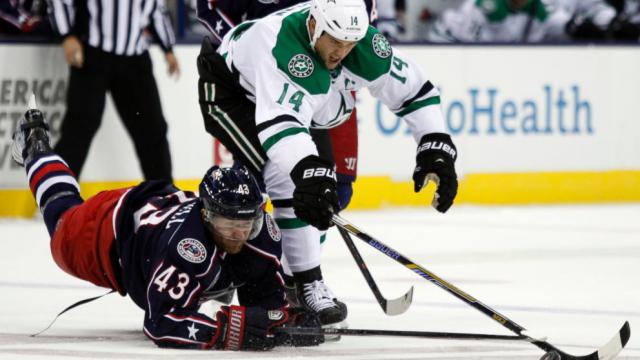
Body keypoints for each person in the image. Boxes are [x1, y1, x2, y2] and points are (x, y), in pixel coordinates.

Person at [196, 0, 459, 325]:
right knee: (272, 182)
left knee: (317, 186)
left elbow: (415, 92)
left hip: (298, 101)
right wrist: (306, 171)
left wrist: (435, 146)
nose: (341, 51)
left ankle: (290, 283)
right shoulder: (282, 46)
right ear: (313, 26)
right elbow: (282, 127)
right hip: (230, 91)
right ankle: (272, 282)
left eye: (349, 44)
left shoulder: (363, 44)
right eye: (334, 41)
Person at [10, 95, 323, 350]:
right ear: (207, 215)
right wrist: (227, 329)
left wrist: (280, 319)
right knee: (61, 210)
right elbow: (160, 324)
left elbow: (266, 300)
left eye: (248, 223)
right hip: (105, 232)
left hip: (155, 205)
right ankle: (35, 144)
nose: (240, 233)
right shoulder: (186, 247)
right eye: (229, 224)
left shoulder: (263, 233)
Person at [46, 0, 178, 180]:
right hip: (92, 54)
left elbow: (156, 8)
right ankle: (55, 197)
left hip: (135, 59)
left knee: (153, 131)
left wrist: (168, 48)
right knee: (79, 129)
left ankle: (164, 198)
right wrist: (67, 35)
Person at [428, 0, 570, 42]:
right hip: (447, 41)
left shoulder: (542, 9)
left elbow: (567, 24)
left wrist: (575, 26)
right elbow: (471, 53)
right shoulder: (483, 7)